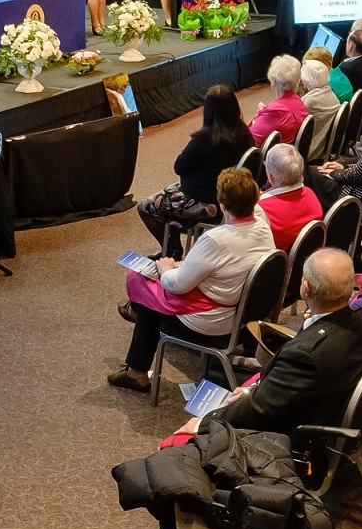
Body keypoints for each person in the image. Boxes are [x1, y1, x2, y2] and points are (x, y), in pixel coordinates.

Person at [110, 167, 277, 393]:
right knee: (153, 291)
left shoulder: (217, 239)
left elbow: (177, 285)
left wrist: (166, 267)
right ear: (255, 199)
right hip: (243, 316)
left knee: (145, 287)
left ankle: (136, 372)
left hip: (211, 324)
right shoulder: (262, 223)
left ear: (222, 205)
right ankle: (138, 330)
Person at [139, 86, 254, 248]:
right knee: (169, 197)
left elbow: (179, 167)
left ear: (208, 110)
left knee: (145, 206)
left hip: (205, 203)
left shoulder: (205, 139)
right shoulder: (244, 133)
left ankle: (171, 249)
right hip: (231, 197)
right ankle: (174, 245)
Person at [250, 56, 311, 143]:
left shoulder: (274, 112)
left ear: (274, 82)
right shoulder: (299, 103)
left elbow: (249, 140)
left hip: (271, 155)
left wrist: (259, 116)